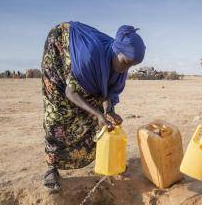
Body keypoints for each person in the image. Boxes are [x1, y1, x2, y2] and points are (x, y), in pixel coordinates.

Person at [41, 21, 145, 190]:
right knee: (58, 112)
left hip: (83, 64)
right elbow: (70, 92)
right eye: (126, 62)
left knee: (97, 111)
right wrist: (98, 113)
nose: (127, 68)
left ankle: (105, 161)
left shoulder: (119, 67)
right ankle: (51, 169)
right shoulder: (89, 57)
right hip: (60, 45)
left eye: (132, 65)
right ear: (117, 51)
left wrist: (108, 110)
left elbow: (104, 93)